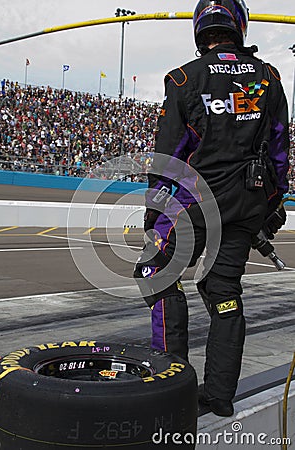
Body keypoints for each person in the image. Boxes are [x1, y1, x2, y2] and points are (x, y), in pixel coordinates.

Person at [134, 0, 290, 417]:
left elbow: (167, 154)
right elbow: (279, 152)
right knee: (224, 294)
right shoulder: (269, 77)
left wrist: (153, 215)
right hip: (244, 206)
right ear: (239, 25)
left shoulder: (184, 77)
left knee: (156, 273)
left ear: (200, 28)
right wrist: (273, 207)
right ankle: (219, 396)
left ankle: (170, 382)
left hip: (193, 201)